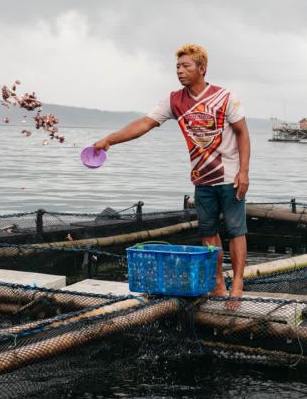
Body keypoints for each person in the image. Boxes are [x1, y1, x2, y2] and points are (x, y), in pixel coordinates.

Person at [93, 44, 251, 299]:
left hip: (230, 176)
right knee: (208, 234)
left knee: (235, 230)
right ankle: (219, 283)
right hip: (202, 178)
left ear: (202, 68)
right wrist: (110, 140)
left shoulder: (224, 97)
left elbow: (243, 134)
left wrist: (243, 172)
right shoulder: (174, 100)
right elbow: (145, 123)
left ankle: (238, 284)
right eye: (177, 66)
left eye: (186, 66)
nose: (180, 71)